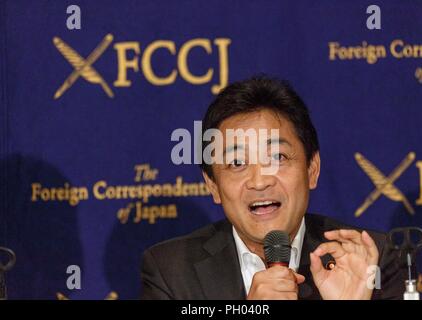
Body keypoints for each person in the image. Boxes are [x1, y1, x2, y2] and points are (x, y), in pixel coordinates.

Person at [140, 76, 407, 300]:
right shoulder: (171, 271)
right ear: (213, 186)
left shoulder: (375, 260)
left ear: (312, 169)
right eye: (236, 163)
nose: (260, 181)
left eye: (277, 158)